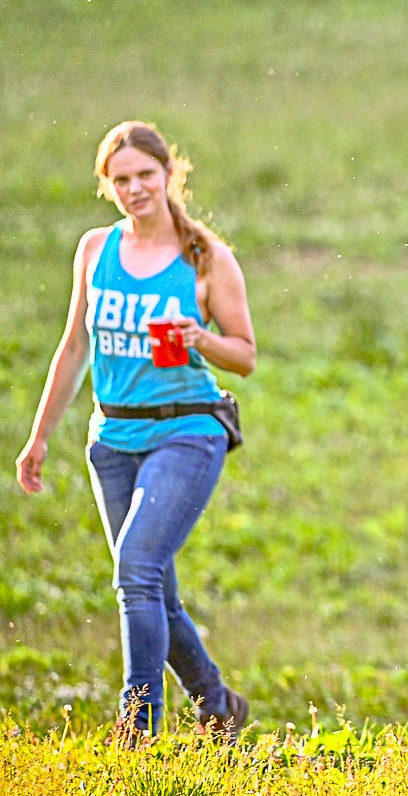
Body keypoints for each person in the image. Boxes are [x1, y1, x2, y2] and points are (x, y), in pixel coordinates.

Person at [15, 122, 255, 743]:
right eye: (120, 180)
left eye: (145, 175)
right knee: (152, 589)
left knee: (137, 570)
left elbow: (245, 354)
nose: (134, 188)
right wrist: (39, 437)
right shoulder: (95, 249)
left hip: (187, 430)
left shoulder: (205, 257)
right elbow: (74, 348)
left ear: (169, 173)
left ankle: (137, 727)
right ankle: (217, 704)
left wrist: (201, 339)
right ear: (108, 186)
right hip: (113, 440)